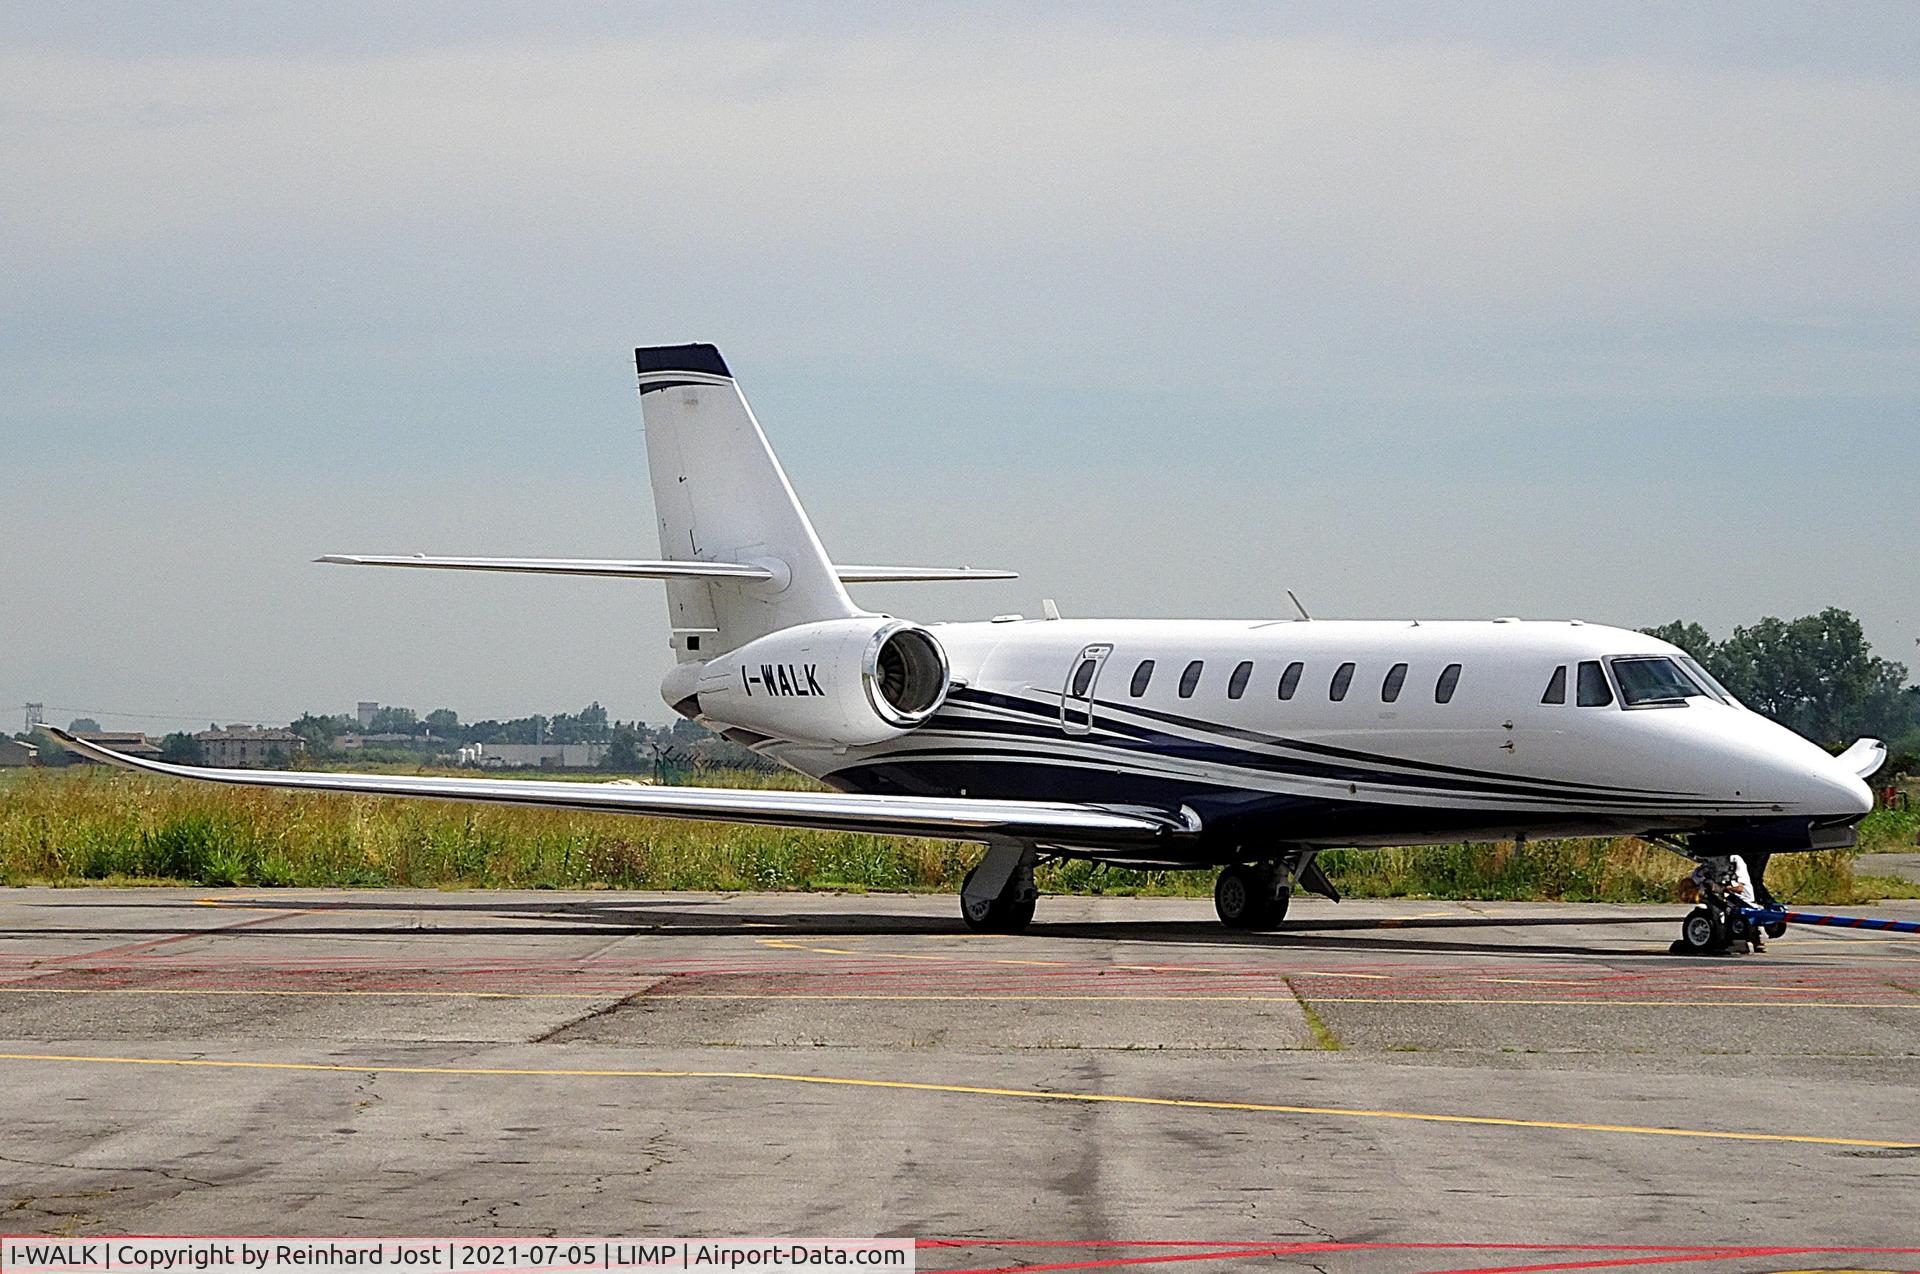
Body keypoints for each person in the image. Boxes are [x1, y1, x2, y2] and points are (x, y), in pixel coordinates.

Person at [1688, 854, 1764, 952]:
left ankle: (1756, 938)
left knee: (1748, 913)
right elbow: (1695, 880)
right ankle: (1721, 939)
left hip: (1741, 899)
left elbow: (1739, 888)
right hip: (1722, 898)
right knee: (1716, 908)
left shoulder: (1735, 860)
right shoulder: (1706, 867)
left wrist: (1721, 888)